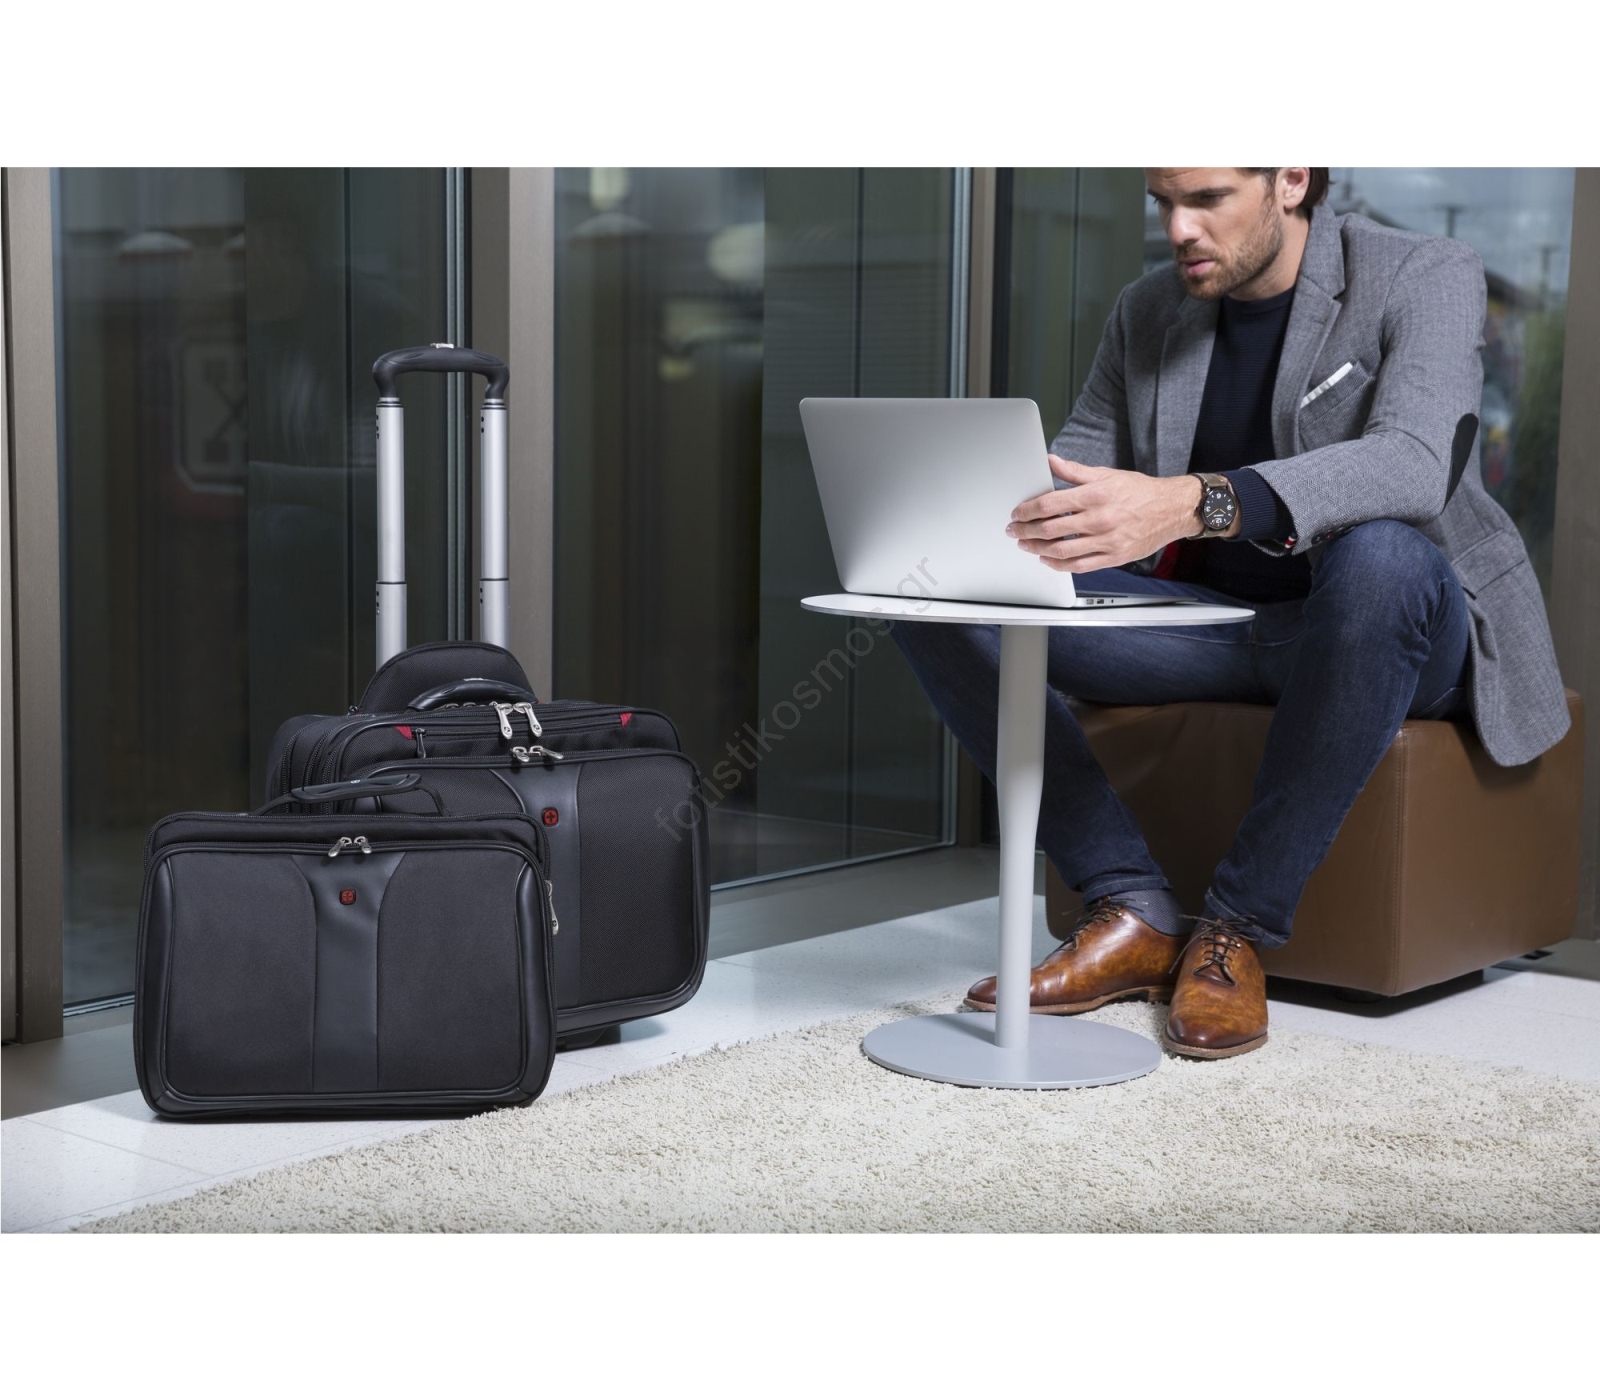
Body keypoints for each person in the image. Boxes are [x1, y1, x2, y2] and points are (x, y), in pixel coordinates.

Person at [891, 167, 1569, 1058]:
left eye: (1207, 199)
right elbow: (1072, 479)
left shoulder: (1421, 271)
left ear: (1290, 179)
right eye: (1163, 201)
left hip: (1390, 625)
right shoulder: (1148, 311)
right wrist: (985, 525)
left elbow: (1411, 463)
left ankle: (1235, 930)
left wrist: (1194, 502)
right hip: (1214, 630)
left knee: (1380, 556)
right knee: (933, 593)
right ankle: (1129, 905)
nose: (1179, 228)